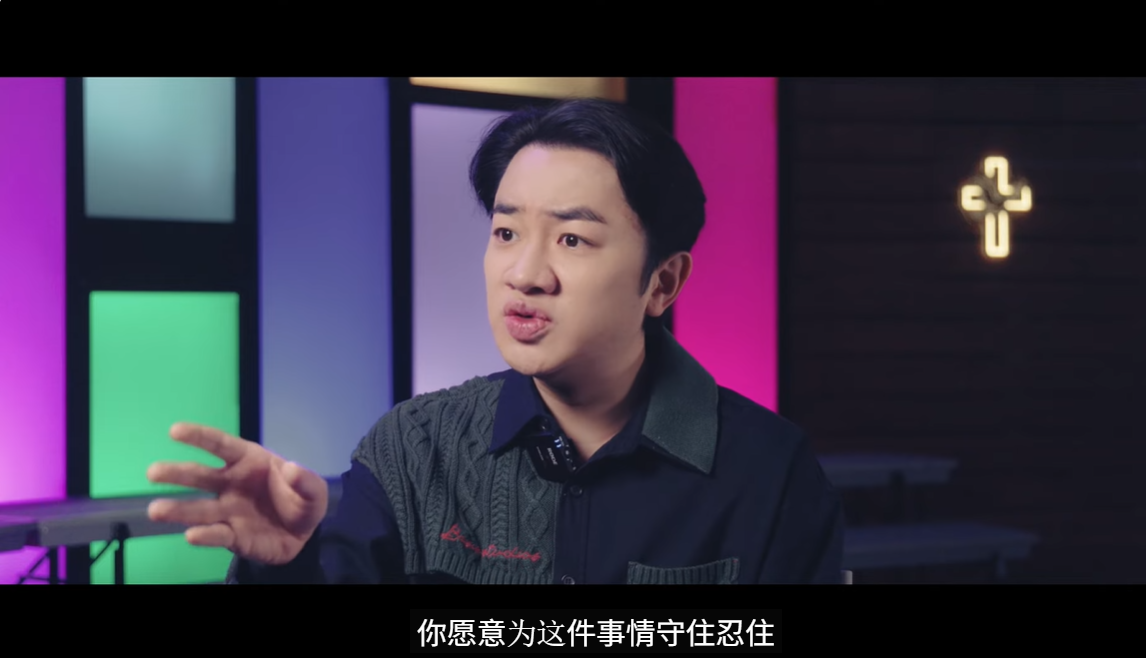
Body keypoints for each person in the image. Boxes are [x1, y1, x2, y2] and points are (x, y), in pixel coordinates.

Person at [146, 98, 844, 584]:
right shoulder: (413, 449)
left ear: (662, 282)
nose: (525, 274)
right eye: (506, 232)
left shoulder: (769, 471)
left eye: (572, 240)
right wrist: (287, 563)